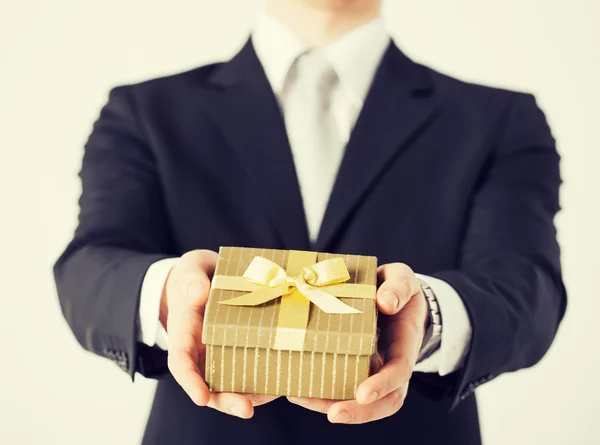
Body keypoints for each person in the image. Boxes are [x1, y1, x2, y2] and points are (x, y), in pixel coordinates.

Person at [54, 0, 567, 444]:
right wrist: (171, 294)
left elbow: (526, 289)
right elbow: (91, 266)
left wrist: (427, 317)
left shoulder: (498, 119)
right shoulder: (145, 111)